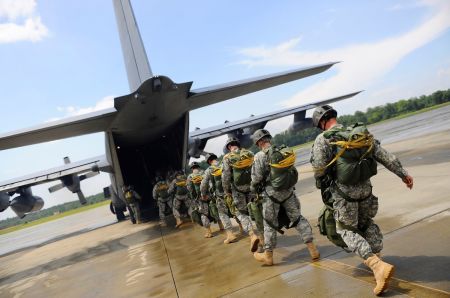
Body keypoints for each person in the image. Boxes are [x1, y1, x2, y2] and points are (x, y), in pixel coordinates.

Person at [310, 105, 414, 296]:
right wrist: (403, 174)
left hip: (344, 195)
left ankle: (377, 267)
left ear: (321, 123)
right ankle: (378, 259)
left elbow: (318, 169)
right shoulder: (358, 134)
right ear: (334, 116)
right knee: (366, 224)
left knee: (346, 230)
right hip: (366, 191)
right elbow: (383, 156)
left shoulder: (322, 139)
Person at [250, 129, 320, 266]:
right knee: (298, 218)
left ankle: (268, 256)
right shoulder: (282, 151)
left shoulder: (259, 156)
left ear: (258, 142)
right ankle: (313, 250)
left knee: (269, 224)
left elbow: (256, 178)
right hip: (288, 192)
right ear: (269, 139)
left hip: (271, 195)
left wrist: (253, 188)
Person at [222, 137, 262, 252]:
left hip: (237, 191)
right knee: (256, 211)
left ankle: (252, 234)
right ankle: (262, 236)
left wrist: (226, 191)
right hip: (252, 188)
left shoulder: (227, 157)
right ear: (238, 145)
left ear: (229, 147)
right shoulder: (249, 153)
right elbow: (256, 170)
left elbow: (225, 177)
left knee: (240, 213)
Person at [201, 153, 239, 244]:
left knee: (223, 214)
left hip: (220, 196)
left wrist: (203, 194)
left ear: (209, 161)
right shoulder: (224, 164)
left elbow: (203, 185)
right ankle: (243, 228)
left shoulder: (208, 170)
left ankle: (230, 235)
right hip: (230, 193)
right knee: (235, 211)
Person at [187, 161, 213, 238]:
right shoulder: (204, 173)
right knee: (213, 209)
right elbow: (210, 183)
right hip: (209, 196)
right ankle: (221, 226)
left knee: (203, 214)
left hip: (200, 198)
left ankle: (209, 232)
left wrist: (194, 198)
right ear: (198, 167)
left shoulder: (190, 176)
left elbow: (190, 189)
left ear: (192, 168)